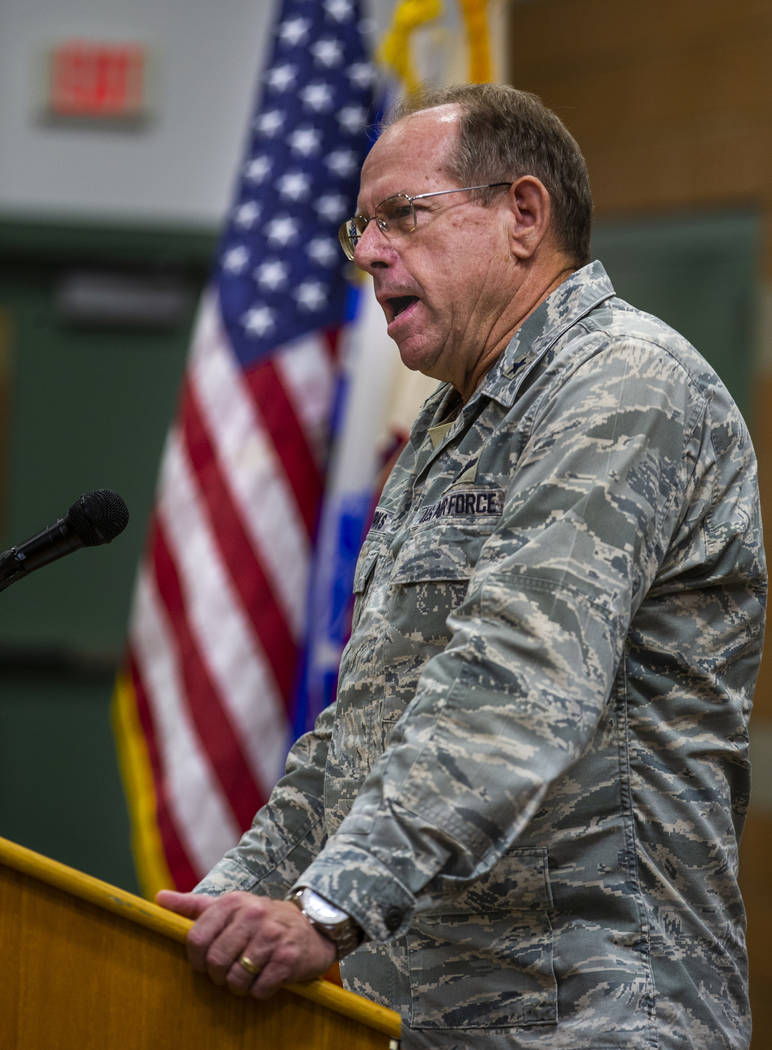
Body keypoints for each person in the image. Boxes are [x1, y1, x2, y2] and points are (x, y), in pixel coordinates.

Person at [158, 84, 767, 1050]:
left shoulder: (623, 383)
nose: (366, 252)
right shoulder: (448, 429)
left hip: (598, 1017)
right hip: (422, 1021)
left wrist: (327, 910)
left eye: (402, 214)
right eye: (361, 226)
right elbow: (359, 736)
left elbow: (516, 686)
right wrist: (220, 907)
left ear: (523, 215)